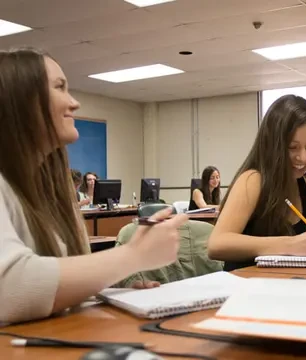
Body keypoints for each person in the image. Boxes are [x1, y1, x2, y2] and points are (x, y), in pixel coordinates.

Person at [0, 47, 188, 324]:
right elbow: (10, 288)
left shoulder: (44, 192)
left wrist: (104, 294)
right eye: (60, 88)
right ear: (19, 101)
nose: (74, 103)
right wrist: (133, 256)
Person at [207, 95, 306, 271]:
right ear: (273, 145)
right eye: (292, 147)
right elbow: (216, 244)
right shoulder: (253, 180)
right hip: (247, 289)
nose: (304, 157)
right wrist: (290, 245)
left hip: (291, 286)